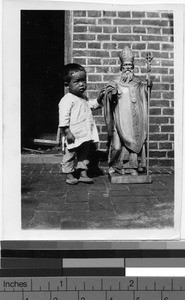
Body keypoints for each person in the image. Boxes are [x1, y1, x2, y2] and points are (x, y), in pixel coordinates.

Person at [103, 46, 148, 176]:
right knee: (118, 144)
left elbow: (144, 95)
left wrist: (148, 87)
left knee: (135, 139)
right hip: (121, 118)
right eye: (126, 65)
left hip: (135, 117)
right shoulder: (116, 81)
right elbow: (108, 92)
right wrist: (112, 92)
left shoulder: (138, 82)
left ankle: (133, 166)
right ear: (122, 66)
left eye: (130, 65)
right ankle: (115, 165)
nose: (128, 67)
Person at [59, 63, 104, 185]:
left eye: (84, 81)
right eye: (77, 81)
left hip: (85, 134)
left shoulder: (83, 98)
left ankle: (83, 173)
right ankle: (69, 174)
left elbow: (92, 105)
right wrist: (67, 132)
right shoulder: (67, 100)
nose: (82, 84)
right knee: (70, 155)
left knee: (84, 155)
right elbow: (63, 118)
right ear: (67, 85)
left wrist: (99, 100)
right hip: (73, 134)